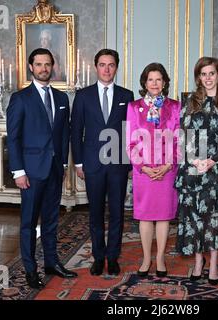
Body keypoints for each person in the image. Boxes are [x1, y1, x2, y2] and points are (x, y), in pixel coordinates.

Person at [6, 48, 77, 289]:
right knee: (28, 223)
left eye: (47, 64)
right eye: (38, 64)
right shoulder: (20, 98)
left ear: (52, 67)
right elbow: (13, 138)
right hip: (31, 172)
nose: (43, 69)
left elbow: (65, 133)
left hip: (55, 170)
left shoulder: (61, 99)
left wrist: (64, 164)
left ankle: (51, 262)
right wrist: (18, 171)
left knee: (51, 221)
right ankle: (29, 269)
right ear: (30, 67)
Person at [71, 49, 134, 276]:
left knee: (117, 213)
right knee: (95, 213)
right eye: (102, 65)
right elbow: (76, 131)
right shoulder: (83, 96)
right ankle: (98, 257)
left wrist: (128, 164)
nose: (107, 69)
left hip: (118, 164)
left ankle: (112, 257)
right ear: (96, 67)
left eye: (111, 65)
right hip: (92, 164)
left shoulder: (127, 96)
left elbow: (130, 132)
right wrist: (78, 163)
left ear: (116, 67)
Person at [175, 57, 218, 285]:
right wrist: (195, 160)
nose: (208, 78)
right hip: (193, 168)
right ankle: (198, 262)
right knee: (194, 216)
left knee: (213, 218)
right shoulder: (191, 102)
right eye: (203, 74)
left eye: (211, 73)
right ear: (198, 77)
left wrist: (212, 160)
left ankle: (214, 263)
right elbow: (184, 134)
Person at [126, 63, 180, 277]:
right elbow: (130, 142)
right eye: (151, 79)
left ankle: (160, 259)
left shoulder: (175, 107)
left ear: (164, 82)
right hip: (144, 171)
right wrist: (144, 167)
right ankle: (147, 257)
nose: (155, 83)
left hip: (167, 170)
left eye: (158, 79)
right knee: (146, 216)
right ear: (144, 83)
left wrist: (168, 165)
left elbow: (179, 140)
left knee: (163, 216)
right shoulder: (133, 107)